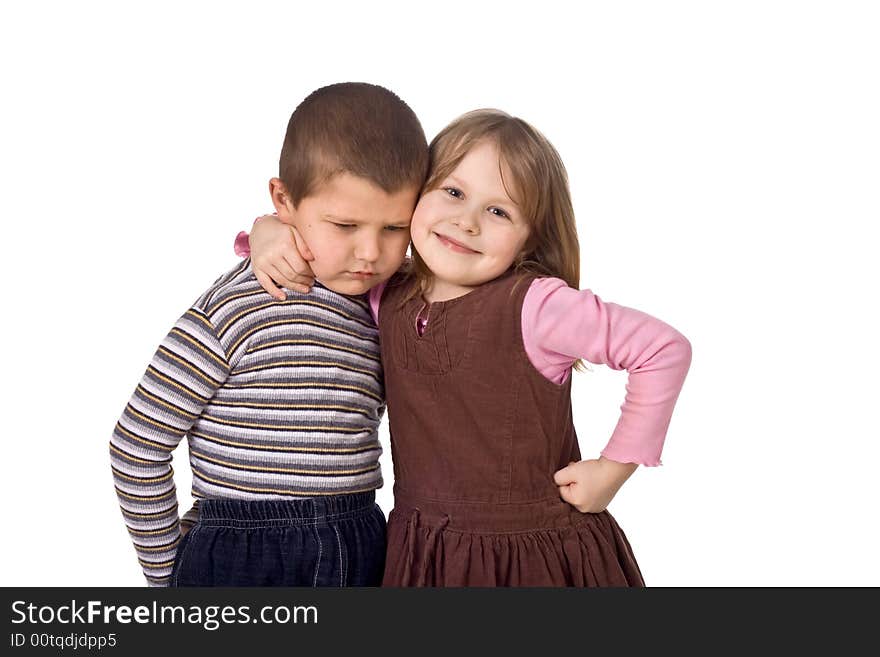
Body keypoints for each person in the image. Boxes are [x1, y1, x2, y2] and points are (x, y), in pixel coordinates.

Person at [241, 108, 692, 586]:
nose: (466, 222)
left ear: (528, 240)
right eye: (453, 192)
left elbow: (662, 350)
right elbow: (322, 244)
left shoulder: (537, 305)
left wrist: (614, 468)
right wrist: (265, 230)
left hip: (532, 559)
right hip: (424, 555)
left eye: (499, 211)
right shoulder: (387, 292)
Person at [110, 82, 427, 586]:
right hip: (242, 550)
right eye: (344, 225)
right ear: (283, 198)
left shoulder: (388, 303)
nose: (370, 253)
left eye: (394, 229)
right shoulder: (235, 308)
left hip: (360, 540)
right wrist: (165, 573)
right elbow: (137, 445)